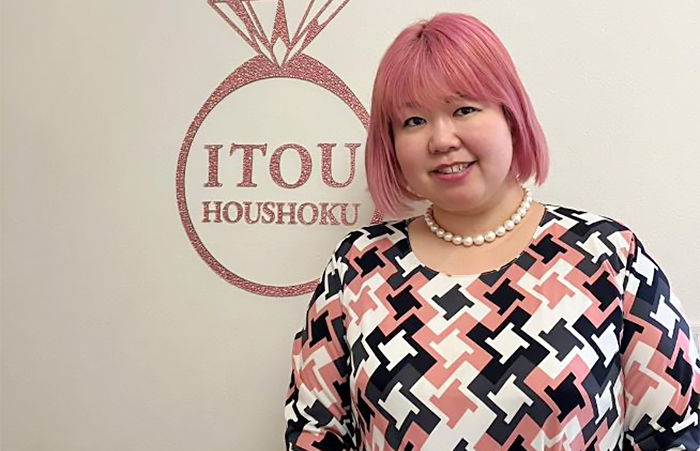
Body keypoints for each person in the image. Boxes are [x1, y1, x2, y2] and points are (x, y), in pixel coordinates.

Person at [284, 13, 699, 451]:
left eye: (464, 109)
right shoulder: (359, 267)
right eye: (413, 121)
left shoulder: (606, 256)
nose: (441, 140)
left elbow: (675, 431)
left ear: (511, 115)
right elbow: (315, 432)